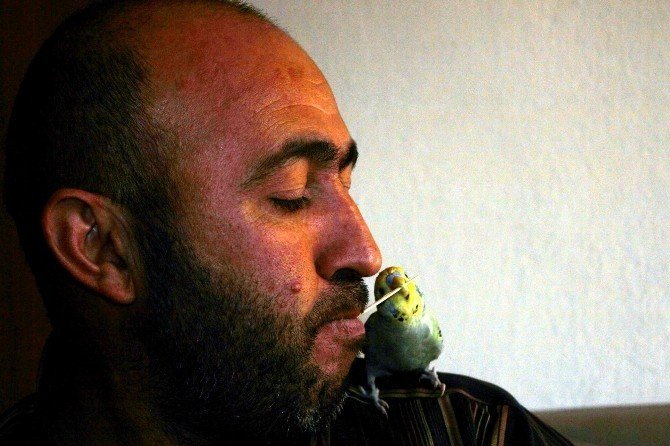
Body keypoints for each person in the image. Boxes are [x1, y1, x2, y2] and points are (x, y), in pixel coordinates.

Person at [0, 1, 573, 444]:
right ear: (102, 248)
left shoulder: (468, 431)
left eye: (346, 183)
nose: (366, 254)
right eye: (292, 194)